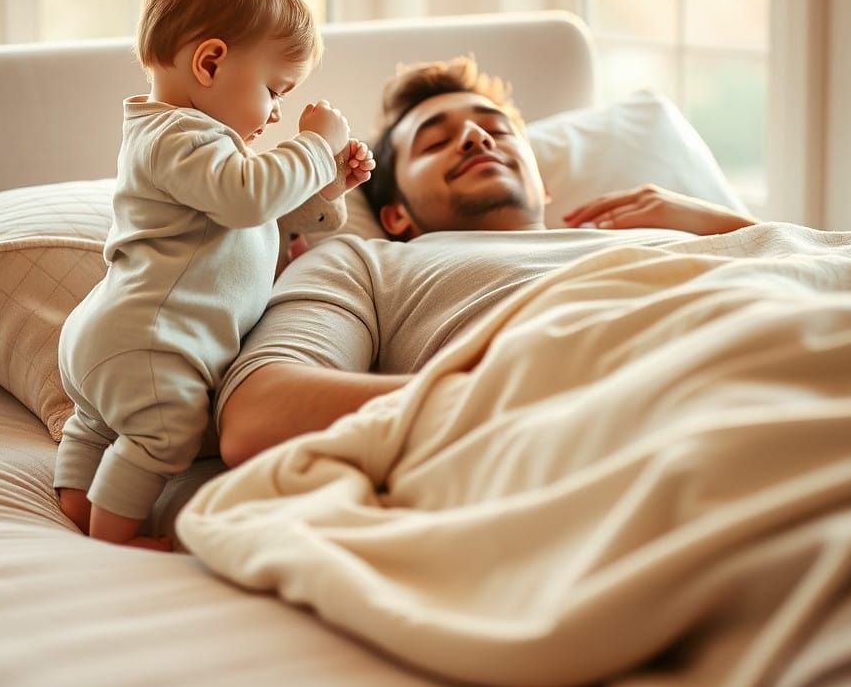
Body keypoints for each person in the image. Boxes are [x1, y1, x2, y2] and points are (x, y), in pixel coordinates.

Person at [216, 55, 758, 468]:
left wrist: (737, 230)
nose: (476, 137)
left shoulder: (662, 235)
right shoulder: (363, 261)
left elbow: (830, 274)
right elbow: (257, 415)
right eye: (434, 143)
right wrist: (535, 398)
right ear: (396, 214)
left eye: (496, 131)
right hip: (649, 431)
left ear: (542, 185)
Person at [53, 0, 375, 550]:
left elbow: (258, 222)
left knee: (97, 424)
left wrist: (327, 185)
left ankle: (76, 505)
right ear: (210, 64)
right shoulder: (179, 137)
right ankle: (112, 541)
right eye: (274, 90)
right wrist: (312, 144)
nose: (277, 113)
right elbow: (248, 199)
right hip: (150, 342)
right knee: (164, 434)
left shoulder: (191, 147)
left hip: (118, 335)